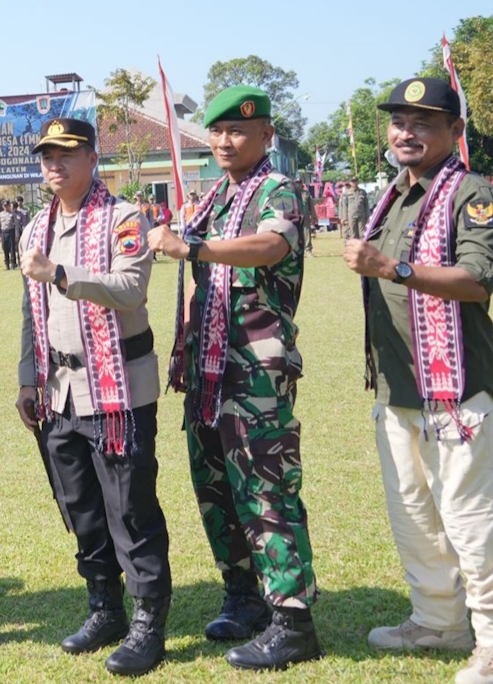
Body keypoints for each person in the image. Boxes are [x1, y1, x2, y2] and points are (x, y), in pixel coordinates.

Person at [147, 86, 322, 671]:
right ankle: (243, 596)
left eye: (238, 132)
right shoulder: (216, 195)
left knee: (266, 490)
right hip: (208, 368)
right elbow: (197, 279)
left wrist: (193, 246)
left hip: (255, 370)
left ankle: (293, 620)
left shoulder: (278, 190)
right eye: (217, 132)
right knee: (216, 490)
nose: (224, 141)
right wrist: (183, 344)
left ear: (266, 136)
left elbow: (270, 247)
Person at [343, 77, 493, 684]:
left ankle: (489, 637)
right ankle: (438, 620)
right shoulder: (393, 196)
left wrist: (393, 266)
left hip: (457, 390)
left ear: (456, 133)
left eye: (424, 122)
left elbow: (479, 281)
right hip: (398, 389)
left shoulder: (473, 193)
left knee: (468, 517)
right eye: (399, 121)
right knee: (414, 515)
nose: (407, 132)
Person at [18, 118, 171, 676]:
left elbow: (131, 288)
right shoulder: (36, 226)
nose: (53, 165)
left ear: (91, 157)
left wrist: (61, 273)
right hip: (59, 392)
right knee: (80, 508)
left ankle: (149, 621)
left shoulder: (124, 218)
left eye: (65, 154)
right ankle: (104, 606)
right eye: (46, 155)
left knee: (130, 509)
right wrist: (28, 378)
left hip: (117, 391)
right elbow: (30, 315)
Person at [0, 200, 19, 270]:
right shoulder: (0, 214)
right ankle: (7, 263)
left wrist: (16, 235)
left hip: (11, 232)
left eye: (7, 206)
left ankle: (13, 263)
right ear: (2, 206)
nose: (6, 207)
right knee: (5, 248)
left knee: (12, 248)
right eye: (4, 206)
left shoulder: (13, 214)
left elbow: (16, 225)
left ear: (9, 206)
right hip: (4, 232)